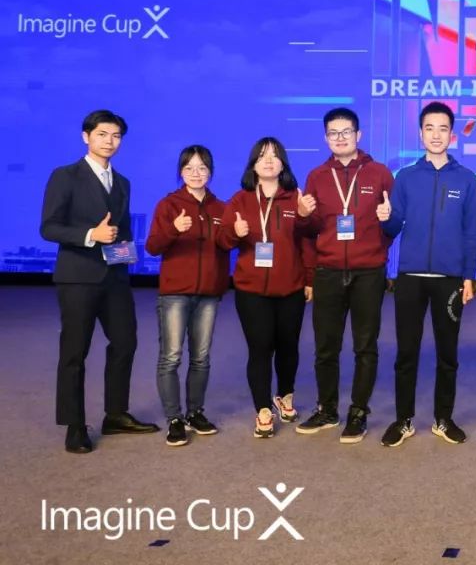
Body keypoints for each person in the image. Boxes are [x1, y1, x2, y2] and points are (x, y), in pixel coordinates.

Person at [40, 110, 159, 454]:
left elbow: (121, 230)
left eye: (116, 135)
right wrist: (91, 234)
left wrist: (126, 253)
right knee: (74, 352)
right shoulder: (65, 176)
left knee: (125, 342)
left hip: (115, 278)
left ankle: (116, 414)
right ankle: (74, 425)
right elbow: (49, 227)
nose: (110, 141)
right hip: (78, 277)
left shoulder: (122, 183)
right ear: (86, 137)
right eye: (103, 134)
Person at [379, 101, 476, 447]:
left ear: (452, 135)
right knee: (406, 353)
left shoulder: (466, 179)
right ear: (420, 133)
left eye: (442, 129)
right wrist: (386, 218)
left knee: (447, 354)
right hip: (410, 278)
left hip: (449, 281)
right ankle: (403, 420)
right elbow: (393, 227)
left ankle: (443, 418)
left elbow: (471, 232)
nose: (436, 135)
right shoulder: (406, 177)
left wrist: (468, 276)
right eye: (429, 128)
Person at [294, 107, 394, 444]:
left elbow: (393, 224)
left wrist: (383, 231)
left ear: (358, 135)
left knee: (365, 346)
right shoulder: (317, 176)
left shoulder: (379, 173)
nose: (340, 138)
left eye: (346, 131)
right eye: (333, 133)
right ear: (326, 138)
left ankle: (359, 411)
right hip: (329, 271)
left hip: (368, 272)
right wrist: (303, 215)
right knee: (326, 346)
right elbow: (309, 230)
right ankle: (327, 409)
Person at [218, 137, 314, 438]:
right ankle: (262, 408)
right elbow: (223, 241)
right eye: (262, 156)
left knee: (288, 347)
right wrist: (235, 232)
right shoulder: (240, 200)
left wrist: (309, 279)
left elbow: (307, 241)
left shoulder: (295, 198)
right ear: (253, 164)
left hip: (291, 287)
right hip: (251, 289)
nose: (269, 161)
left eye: (274, 155)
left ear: (283, 163)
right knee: (260, 348)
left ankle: (285, 395)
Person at [145, 145, 231, 447]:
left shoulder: (221, 208)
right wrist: (174, 229)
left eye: (202, 168)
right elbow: (152, 246)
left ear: (211, 172)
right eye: (189, 168)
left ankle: (195, 413)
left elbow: (227, 244)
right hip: (175, 294)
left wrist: (236, 232)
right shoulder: (169, 205)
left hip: (208, 294)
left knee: (201, 358)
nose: (196, 173)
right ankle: (174, 419)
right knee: (171, 357)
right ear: (181, 172)